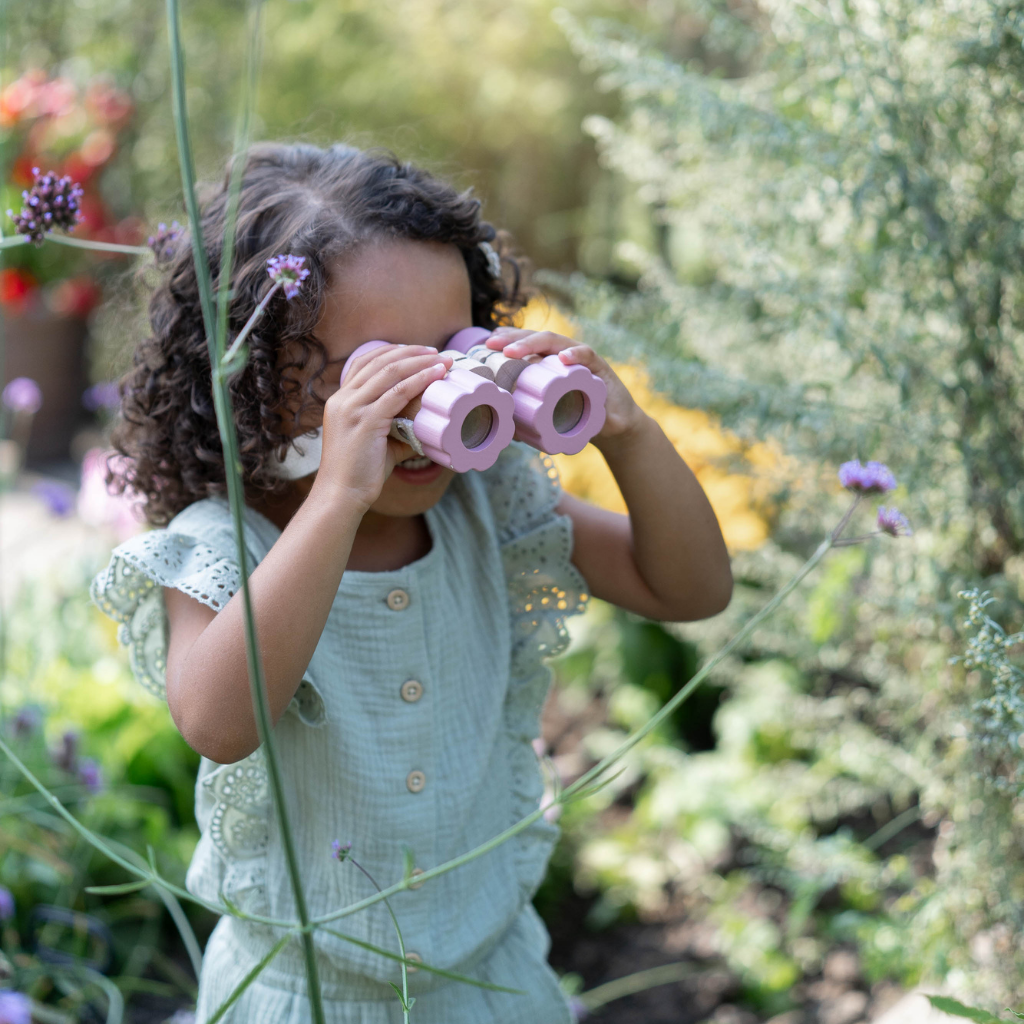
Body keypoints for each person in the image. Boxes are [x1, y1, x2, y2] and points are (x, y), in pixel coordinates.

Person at [91, 141, 733, 1024]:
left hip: (491, 981)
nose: (433, 408)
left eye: (453, 353)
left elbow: (689, 590)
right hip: (304, 999)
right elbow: (216, 723)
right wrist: (338, 498)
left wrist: (626, 432)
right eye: (379, 374)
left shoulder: (485, 505)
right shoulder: (222, 546)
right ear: (246, 381)